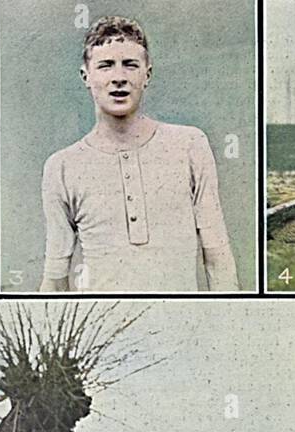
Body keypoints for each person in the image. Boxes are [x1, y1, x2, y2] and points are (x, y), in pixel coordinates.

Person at [38, 16, 237, 292]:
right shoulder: (62, 167)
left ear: (147, 75)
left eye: (130, 65)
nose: (119, 77)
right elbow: (55, 280)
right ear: (86, 76)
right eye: (106, 66)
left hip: (181, 326)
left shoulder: (190, 145)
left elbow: (218, 259)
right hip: (103, 331)